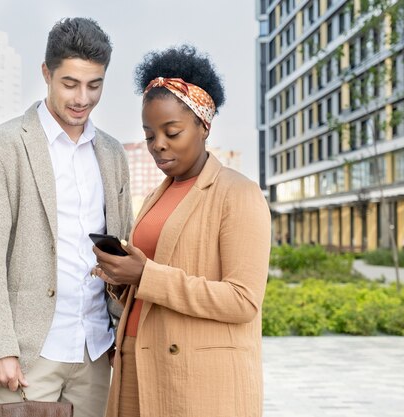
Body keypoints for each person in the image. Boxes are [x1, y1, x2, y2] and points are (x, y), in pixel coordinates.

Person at [0, 17, 133, 417]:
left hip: (94, 351)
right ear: (46, 73)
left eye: (94, 85)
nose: (82, 98)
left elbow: (120, 249)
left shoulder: (112, 154)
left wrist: (119, 333)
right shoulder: (1, 148)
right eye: (70, 83)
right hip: (26, 356)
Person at [92, 45, 271, 417]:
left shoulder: (238, 194)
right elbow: (153, 289)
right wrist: (121, 279)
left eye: (171, 131)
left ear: (204, 126)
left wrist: (146, 274)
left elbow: (243, 301)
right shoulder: (157, 197)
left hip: (194, 379)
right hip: (136, 361)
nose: (158, 145)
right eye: (149, 135)